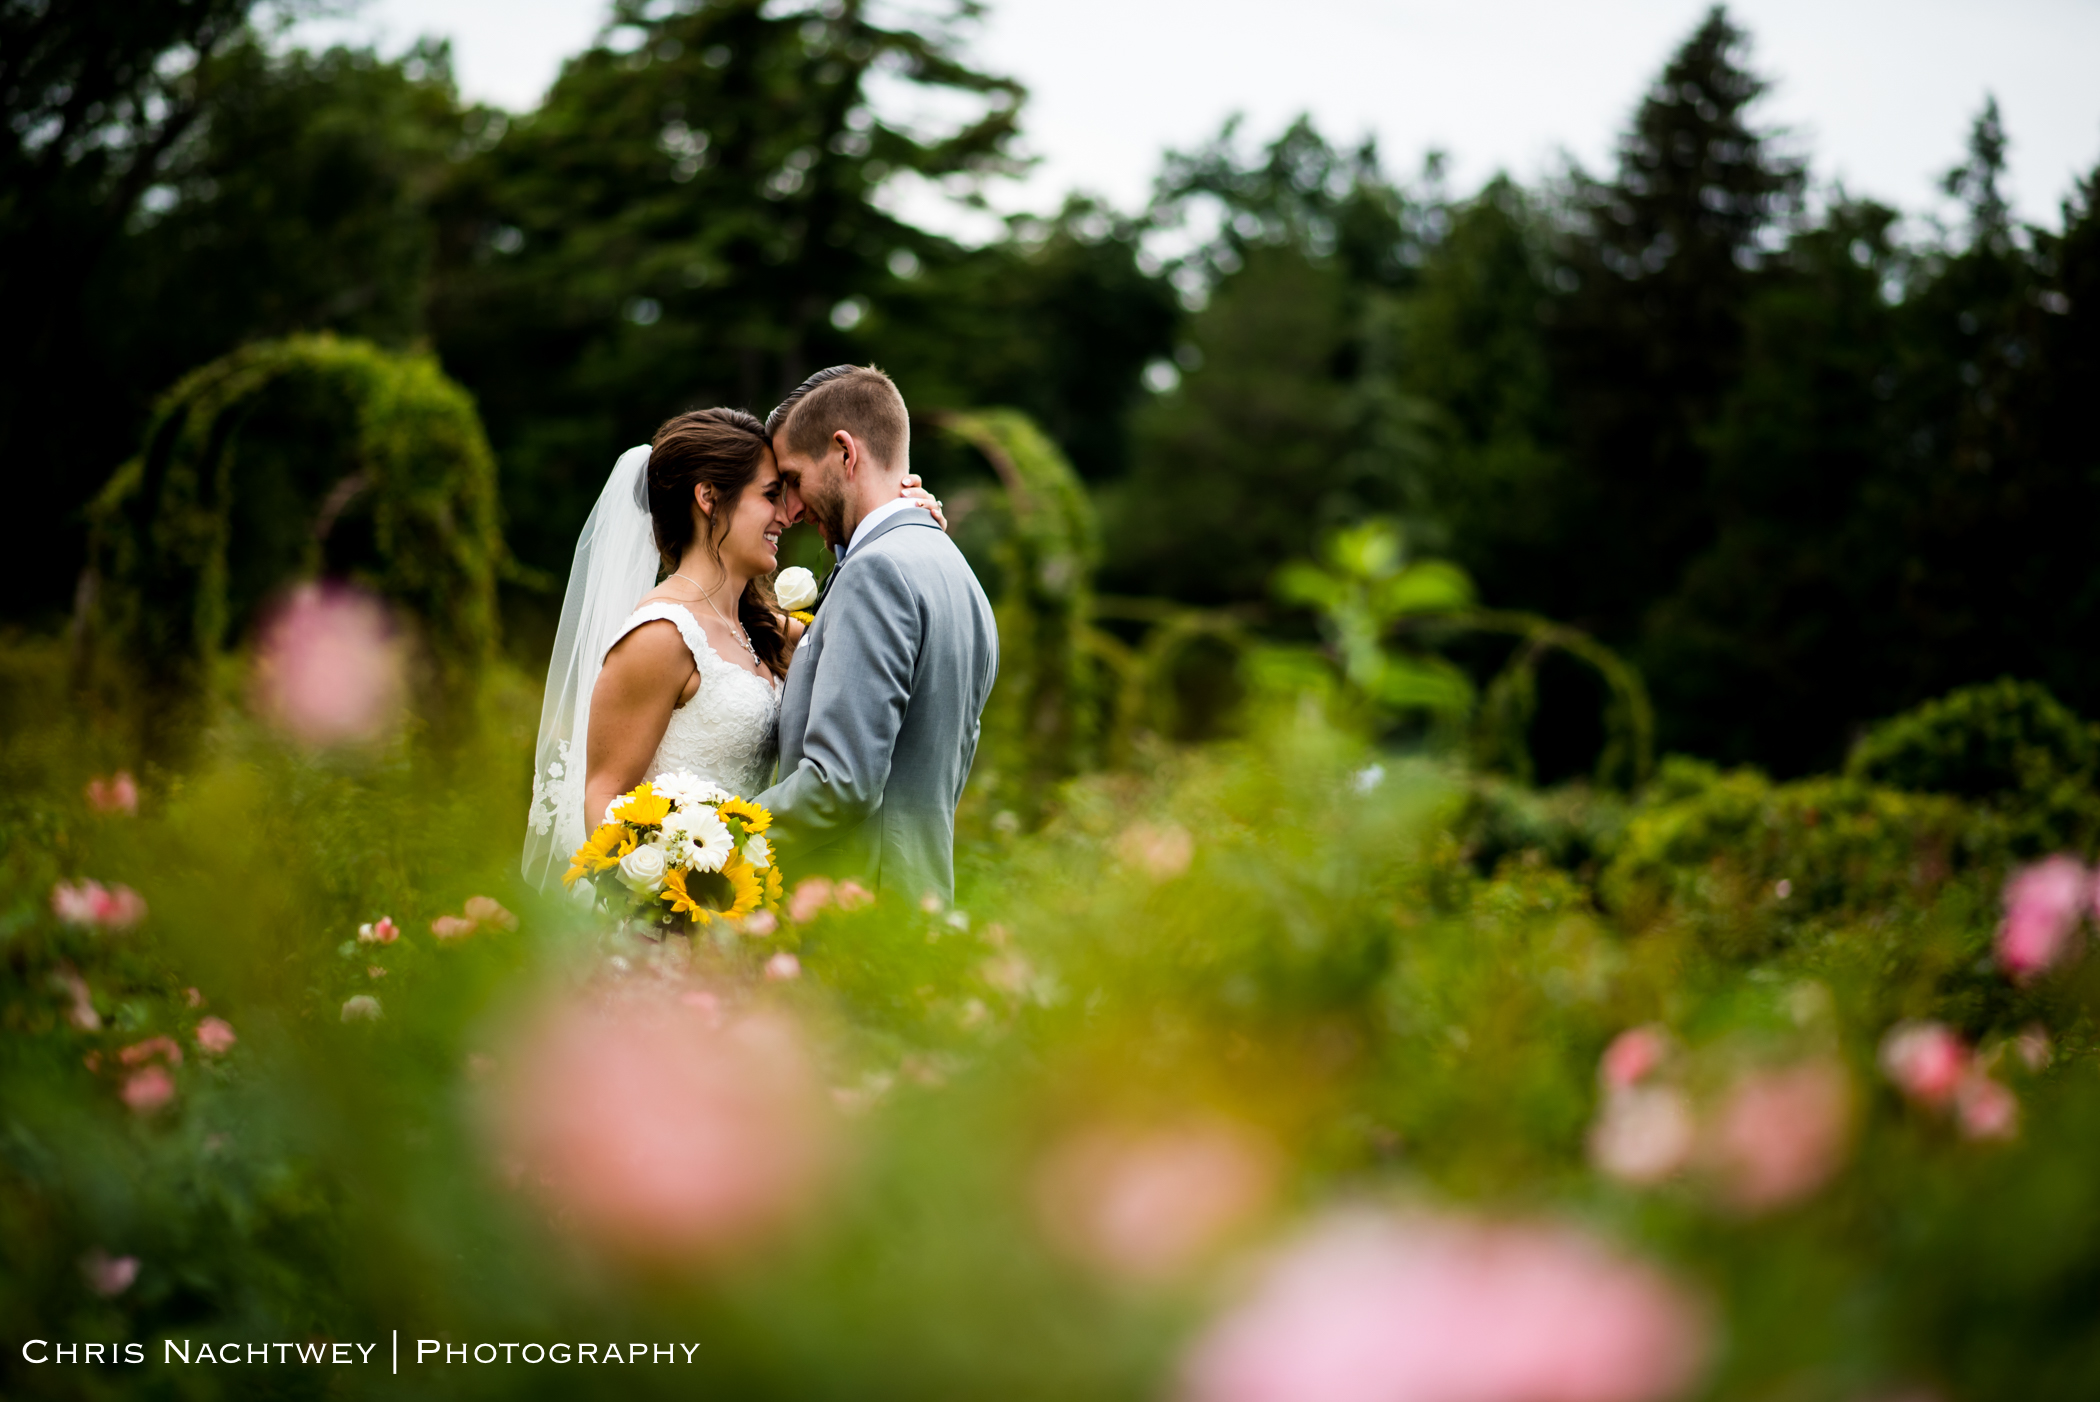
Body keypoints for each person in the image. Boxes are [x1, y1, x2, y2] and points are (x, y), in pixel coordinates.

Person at [521, 405, 945, 891]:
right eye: (771, 495)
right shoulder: (660, 635)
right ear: (708, 498)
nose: (789, 514)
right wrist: (659, 911)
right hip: (673, 916)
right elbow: (602, 797)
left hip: (743, 902)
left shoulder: (764, 627)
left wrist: (909, 529)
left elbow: (869, 632)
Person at [756, 365, 999, 905]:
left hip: (851, 911)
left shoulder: (877, 573)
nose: (790, 510)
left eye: (793, 479)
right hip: (914, 903)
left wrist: (715, 837)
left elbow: (839, 784)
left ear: (845, 452)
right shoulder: (953, 566)